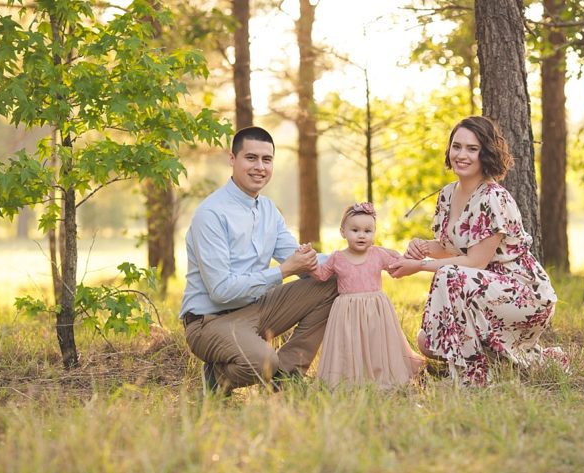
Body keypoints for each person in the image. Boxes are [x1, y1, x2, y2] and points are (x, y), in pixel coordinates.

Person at [388, 116, 562, 386]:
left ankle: (474, 375)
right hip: (479, 286)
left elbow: (475, 261)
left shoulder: (493, 197)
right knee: (428, 342)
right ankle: (504, 359)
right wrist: (420, 248)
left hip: (522, 292)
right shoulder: (447, 194)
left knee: (449, 276)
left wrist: (420, 266)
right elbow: (449, 248)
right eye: (456, 146)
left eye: (472, 149)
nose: (461, 155)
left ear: (486, 153)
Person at [181, 126, 338, 396]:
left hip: (257, 308)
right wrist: (284, 271)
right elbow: (221, 291)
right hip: (209, 321)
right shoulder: (211, 214)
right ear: (233, 159)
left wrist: (355, 260)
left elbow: (303, 263)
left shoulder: (267, 209)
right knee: (263, 361)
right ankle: (218, 376)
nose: (260, 167)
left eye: (267, 160)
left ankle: (286, 376)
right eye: (251, 158)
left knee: (332, 282)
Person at [307, 202, 425, 388]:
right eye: (355, 230)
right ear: (343, 232)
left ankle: (380, 375)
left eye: (368, 231)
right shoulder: (337, 257)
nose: (361, 235)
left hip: (375, 309)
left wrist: (408, 258)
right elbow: (321, 275)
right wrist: (310, 263)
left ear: (374, 232)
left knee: (376, 343)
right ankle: (351, 377)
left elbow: (397, 268)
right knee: (349, 344)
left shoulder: (378, 254)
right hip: (347, 311)